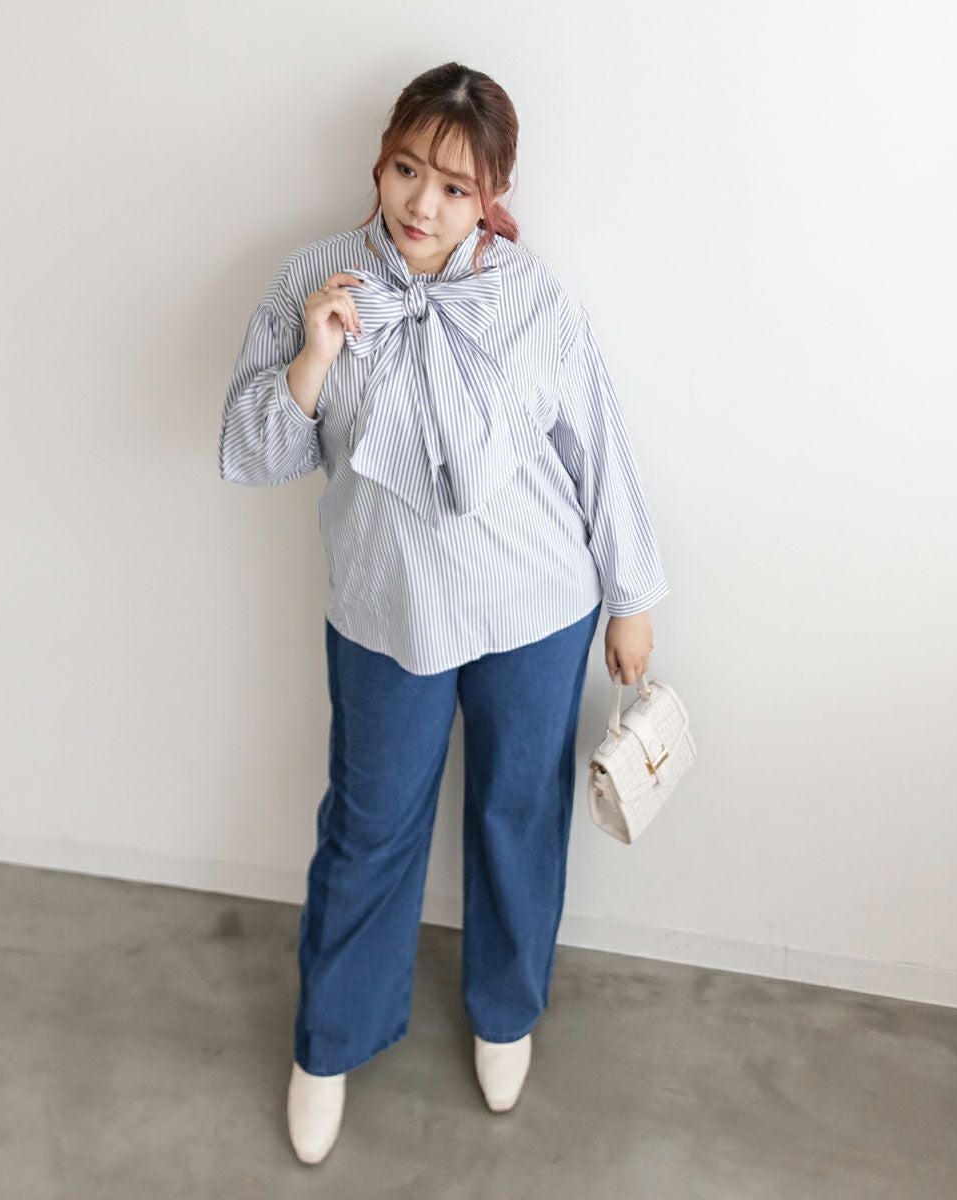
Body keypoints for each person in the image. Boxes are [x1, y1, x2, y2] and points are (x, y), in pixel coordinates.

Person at [218, 61, 669, 1165]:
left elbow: (596, 446)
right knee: (369, 826)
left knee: (520, 812)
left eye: (456, 187)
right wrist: (316, 354)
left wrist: (630, 597)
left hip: (538, 606)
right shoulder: (311, 277)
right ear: (380, 163)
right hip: (389, 612)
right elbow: (252, 453)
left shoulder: (534, 297)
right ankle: (329, 1041)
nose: (423, 204)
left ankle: (505, 1012)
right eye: (408, 170)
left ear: (491, 194)